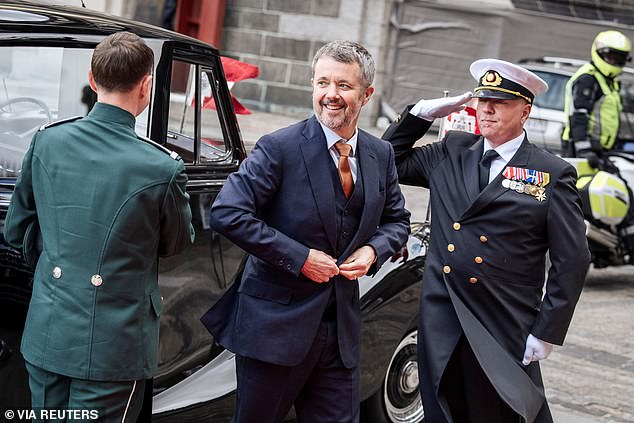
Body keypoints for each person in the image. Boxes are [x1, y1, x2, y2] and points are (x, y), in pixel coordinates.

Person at [200, 40, 410, 423]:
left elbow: (397, 221)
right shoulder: (279, 148)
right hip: (274, 329)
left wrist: (374, 251)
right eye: (322, 83)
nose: (331, 95)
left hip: (341, 332)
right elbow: (227, 212)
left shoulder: (381, 155)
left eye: (343, 86)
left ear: (367, 94)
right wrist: (301, 259)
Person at [382, 58, 590, 423]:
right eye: (482, 100)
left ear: (525, 112)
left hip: (502, 319)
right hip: (443, 312)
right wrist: (419, 114)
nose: (487, 109)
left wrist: (548, 330)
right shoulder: (452, 150)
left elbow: (571, 260)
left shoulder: (551, 173)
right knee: (442, 407)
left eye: (501, 102)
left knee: (500, 410)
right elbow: (389, 161)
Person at [4, 31, 194, 422]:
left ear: (92, 80)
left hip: (48, 330)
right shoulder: (162, 166)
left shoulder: (46, 142)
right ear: (146, 86)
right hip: (114, 344)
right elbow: (176, 242)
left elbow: (16, 229)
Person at [562, 30, 634, 257]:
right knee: (615, 191)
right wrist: (585, 150)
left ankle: (607, 242)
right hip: (581, 148)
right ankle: (627, 245)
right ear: (598, 52)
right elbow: (579, 117)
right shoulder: (588, 79)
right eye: (609, 56)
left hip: (599, 149)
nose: (613, 62)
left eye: (618, 58)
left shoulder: (609, 82)